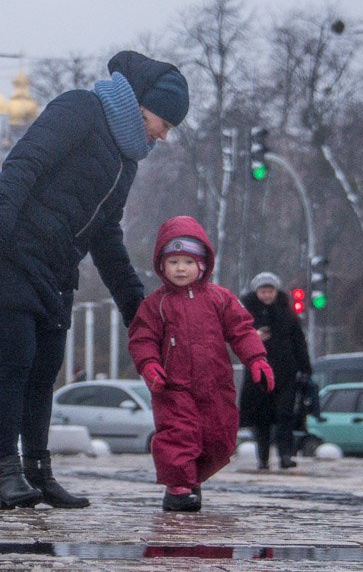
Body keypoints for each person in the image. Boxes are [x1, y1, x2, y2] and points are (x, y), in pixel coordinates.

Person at [0, 50, 189, 510]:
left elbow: (106, 235)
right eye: (166, 122)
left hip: (55, 269)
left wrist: (134, 307)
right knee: (16, 357)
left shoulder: (126, 161)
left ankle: (39, 472)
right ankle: (8, 472)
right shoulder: (80, 108)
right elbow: (24, 165)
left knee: (46, 369)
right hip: (10, 250)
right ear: (144, 105)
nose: (165, 134)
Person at [128, 215, 273, 512]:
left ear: (202, 265)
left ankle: (191, 479)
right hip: (174, 385)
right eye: (174, 262)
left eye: (188, 262)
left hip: (215, 384)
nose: (181, 269)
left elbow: (242, 330)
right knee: (179, 433)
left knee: (217, 435)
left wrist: (256, 359)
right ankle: (177, 488)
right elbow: (142, 339)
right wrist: (150, 366)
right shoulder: (156, 304)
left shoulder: (220, 299)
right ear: (161, 266)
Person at [238, 272, 312, 470]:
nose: (267, 295)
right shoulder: (246, 313)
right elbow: (236, 340)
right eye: (263, 291)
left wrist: (305, 368)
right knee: (261, 418)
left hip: (285, 373)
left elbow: (299, 341)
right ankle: (263, 458)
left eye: (270, 290)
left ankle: (285, 455)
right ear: (257, 292)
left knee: (285, 416)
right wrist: (254, 337)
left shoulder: (287, 312)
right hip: (258, 373)